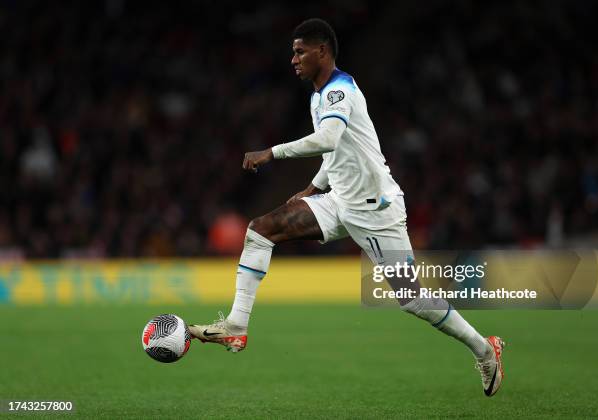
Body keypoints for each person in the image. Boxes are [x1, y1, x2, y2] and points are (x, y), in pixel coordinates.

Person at [189, 18, 505, 397]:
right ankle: (237, 327)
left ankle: (486, 350)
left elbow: (329, 138)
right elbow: (339, 151)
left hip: (376, 209)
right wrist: (312, 187)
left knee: (412, 299)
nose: (294, 59)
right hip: (340, 201)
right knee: (260, 229)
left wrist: (271, 153)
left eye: (300, 51)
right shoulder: (317, 96)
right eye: (293, 51)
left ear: (322, 51)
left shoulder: (340, 89)